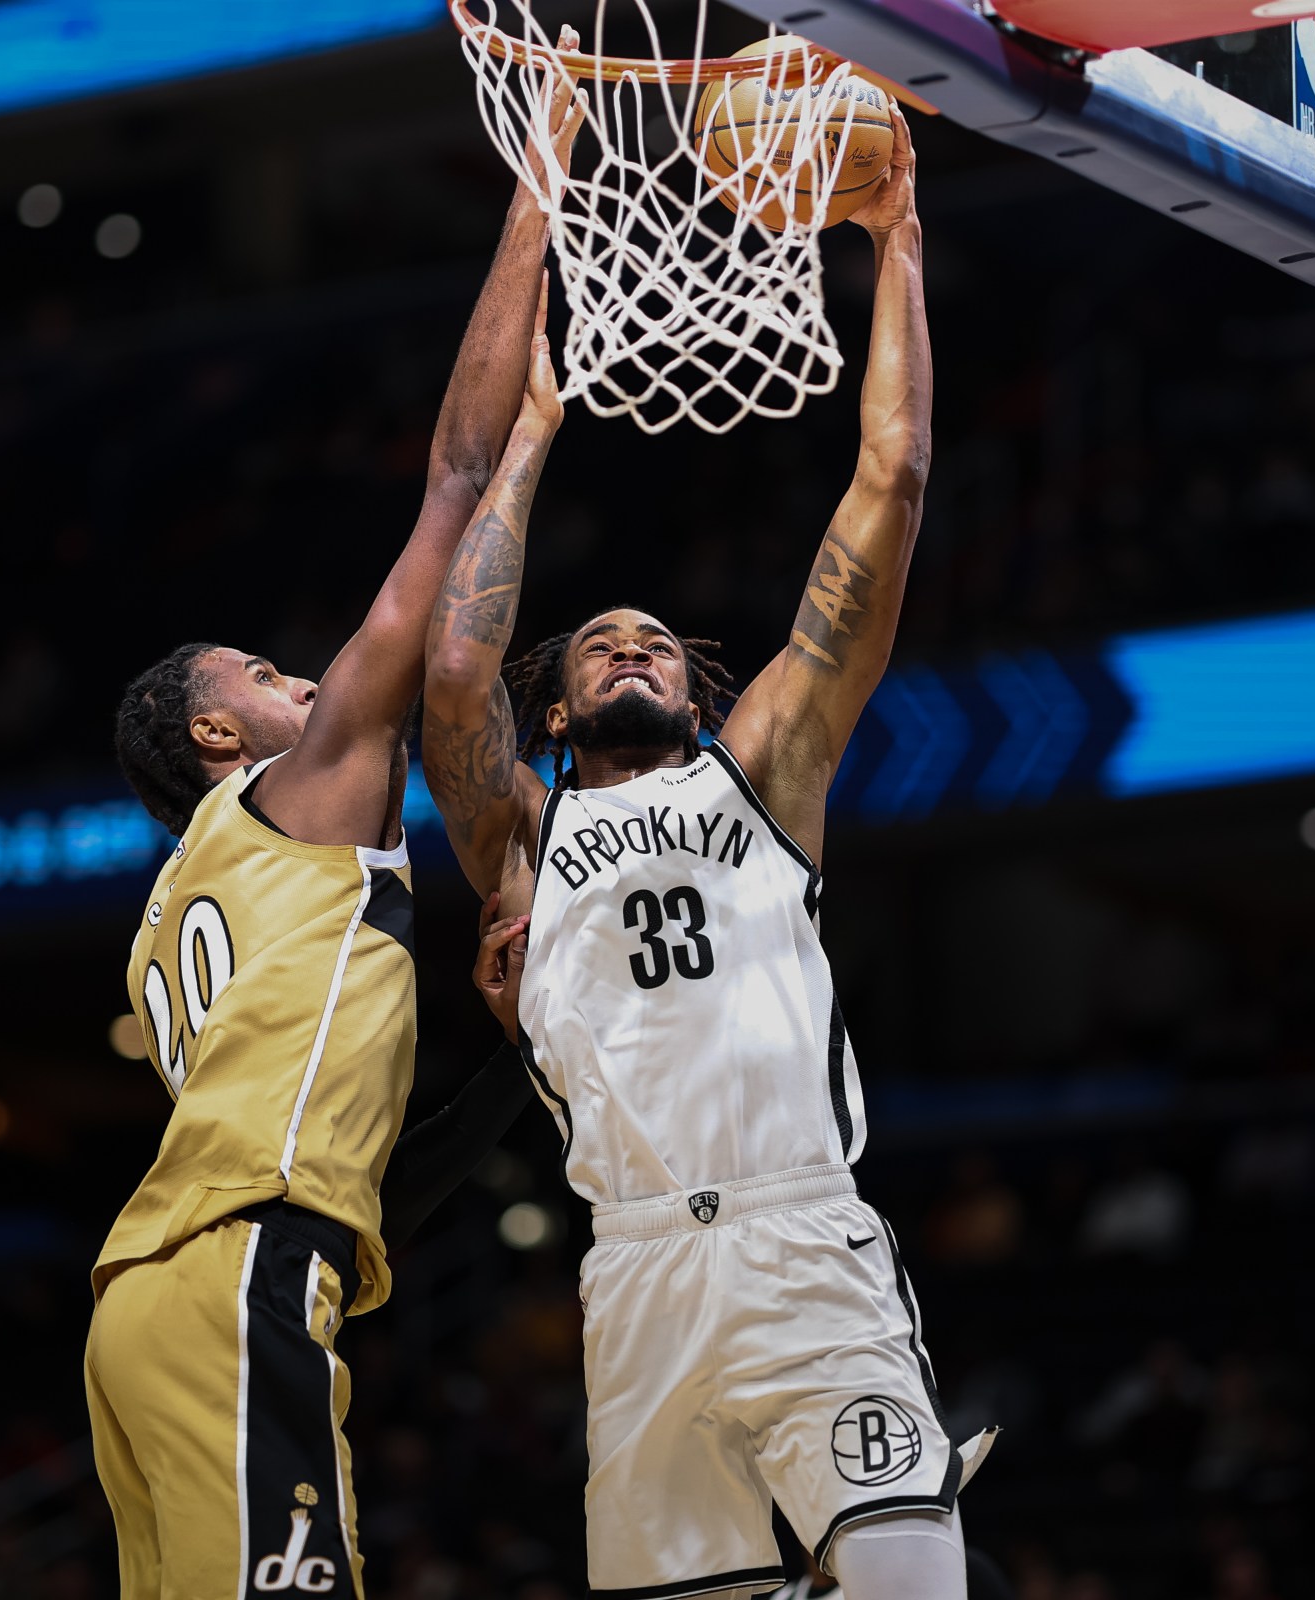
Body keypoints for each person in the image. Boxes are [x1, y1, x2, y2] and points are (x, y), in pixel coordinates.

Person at [422, 105, 985, 1600]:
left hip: (805, 1240)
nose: (632, 645)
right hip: (636, 1277)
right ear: (558, 709)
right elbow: (454, 673)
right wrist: (531, 434)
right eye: (601, 642)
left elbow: (890, 485)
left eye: (660, 643)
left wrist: (897, 243)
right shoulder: (524, 833)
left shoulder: (767, 776)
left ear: (698, 692)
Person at [83, 62, 576, 1600]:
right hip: (236, 1269)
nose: (302, 679)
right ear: (215, 739)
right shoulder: (296, 798)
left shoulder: (185, 920)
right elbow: (450, 481)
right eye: (258, 674)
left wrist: (505, 1063)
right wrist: (542, 187)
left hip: (155, 1302)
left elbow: (373, 1179)